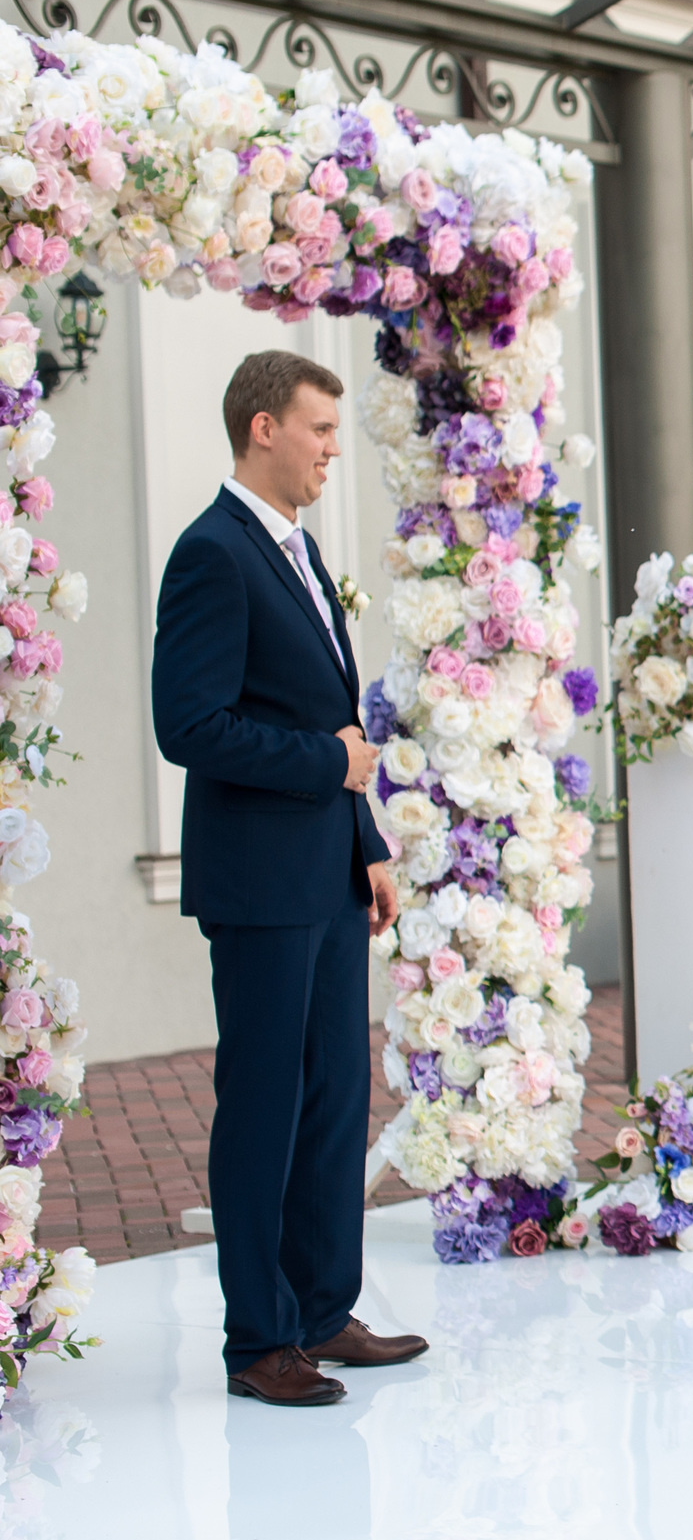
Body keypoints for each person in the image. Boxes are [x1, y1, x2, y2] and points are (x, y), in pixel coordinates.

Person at [151, 350, 425, 1409]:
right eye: (317, 428)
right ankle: (258, 1341)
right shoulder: (213, 554)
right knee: (263, 1107)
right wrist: (331, 769)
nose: (328, 449)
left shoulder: (300, 551)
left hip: (326, 873)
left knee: (332, 1102)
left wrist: (364, 840)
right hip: (259, 885)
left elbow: (330, 721)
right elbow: (192, 726)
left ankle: (320, 1311)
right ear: (262, 427)